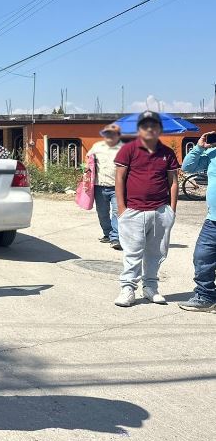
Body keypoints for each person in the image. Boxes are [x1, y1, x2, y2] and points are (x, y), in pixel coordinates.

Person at [113, 111, 179, 307]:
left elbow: (173, 182)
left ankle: (150, 287)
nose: (150, 129)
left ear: (159, 129)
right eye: (145, 125)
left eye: (154, 125)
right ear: (139, 129)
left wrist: (171, 210)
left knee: (156, 253)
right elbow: (119, 178)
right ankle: (127, 289)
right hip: (133, 210)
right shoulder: (128, 150)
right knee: (132, 252)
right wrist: (122, 208)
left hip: (160, 211)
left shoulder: (167, 153)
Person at [178, 131, 216, 312]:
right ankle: (205, 296)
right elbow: (188, 167)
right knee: (202, 257)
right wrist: (200, 147)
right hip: (213, 220)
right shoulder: (211, 153)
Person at [87, 124, 124, 250]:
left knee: (117, 212)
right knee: (102, 213)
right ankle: (107, 234)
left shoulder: (123, 148)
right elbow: (88, 160)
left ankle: (115, 237)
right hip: (99, 186)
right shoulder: (97, 146)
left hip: (117, 187)